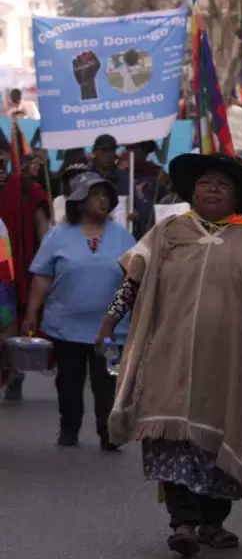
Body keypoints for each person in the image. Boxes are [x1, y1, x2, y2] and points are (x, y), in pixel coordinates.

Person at [102, 153, 242, 555]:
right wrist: (111, 319)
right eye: (205, 182)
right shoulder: (168, 233)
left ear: (235, 196)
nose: (212, 189)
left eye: (222, 184)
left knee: (219, 445)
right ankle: (182, 522)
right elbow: (134, 277)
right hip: (169, 358)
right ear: (192, 190)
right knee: (171, 439)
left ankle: (213, 522)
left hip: (231, 365)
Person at [24, 172, 134, 449]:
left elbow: (136, 279)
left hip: (112, 330)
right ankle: (70, 427)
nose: (103, 200)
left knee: (109, 380)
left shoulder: (124, 237)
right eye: (95, 195)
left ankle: (109, 433)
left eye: (106, 195)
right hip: (66, 327)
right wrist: (32, 312)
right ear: (79, 202)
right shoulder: (57, 235)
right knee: (69, 382)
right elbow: (42, 276)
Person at [0, 162, 51, 400]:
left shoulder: (25, 190)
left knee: (10, 323)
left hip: (14, 270)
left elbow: (44, 233)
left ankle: (13, 371)